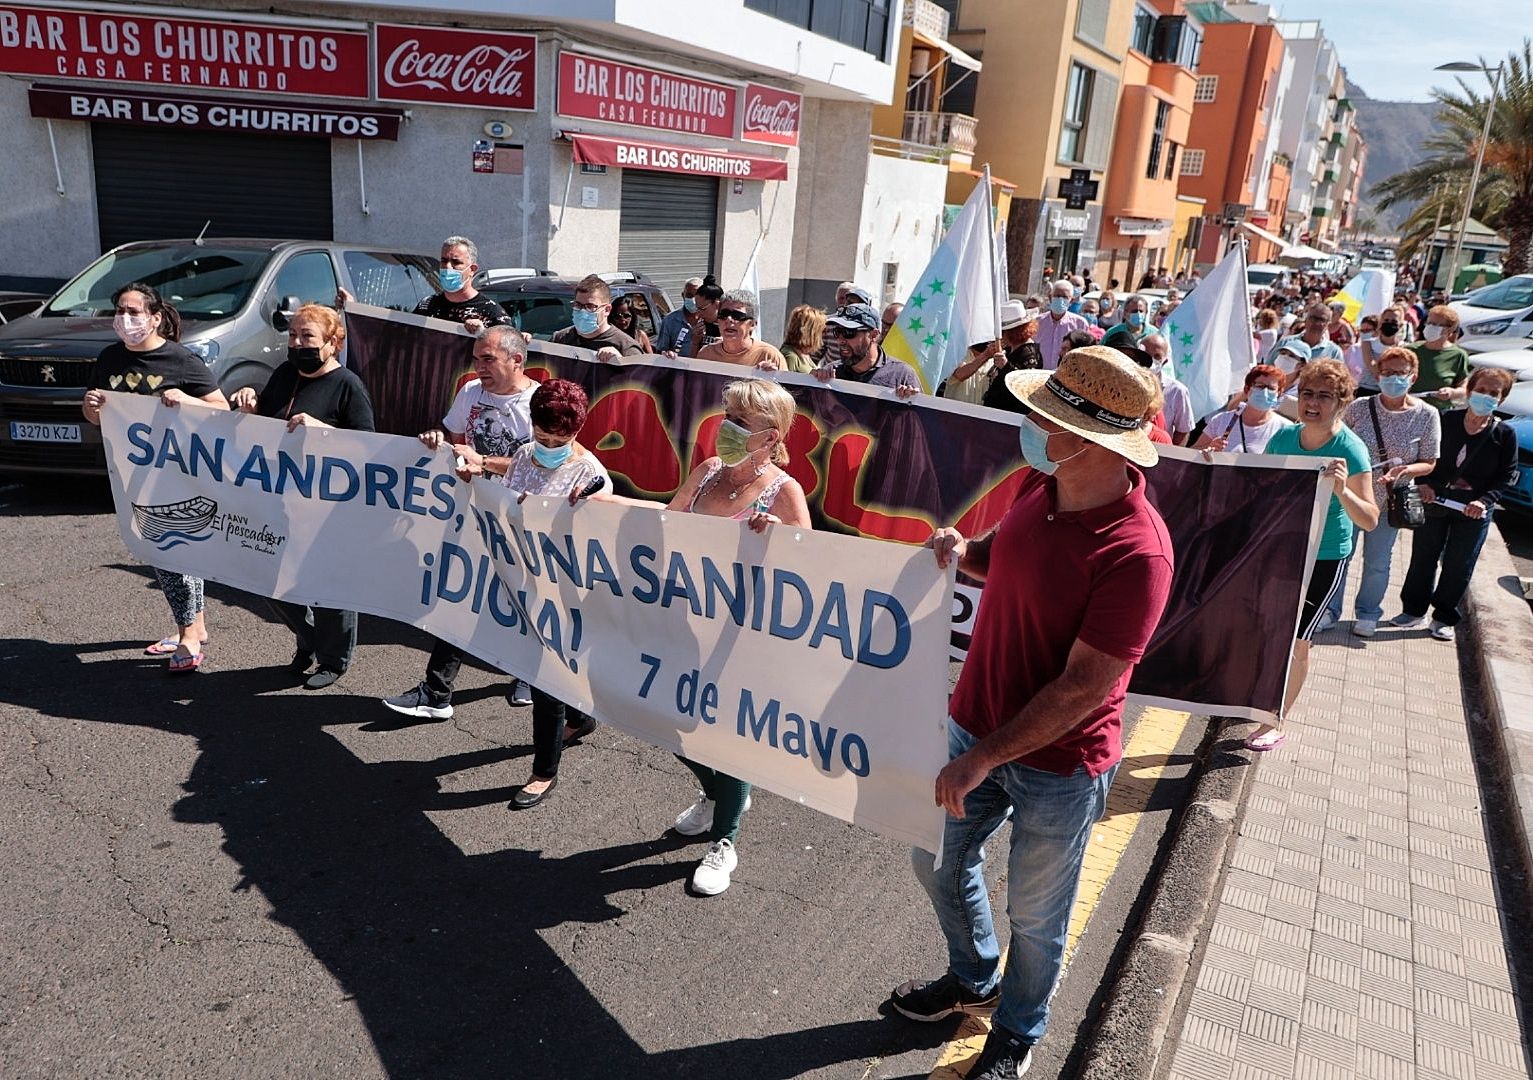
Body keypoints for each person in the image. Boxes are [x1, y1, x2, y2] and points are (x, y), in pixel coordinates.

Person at [893, 346, 1174, 1080]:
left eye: (1040, 417)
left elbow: (1085, 685)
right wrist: (963, 551)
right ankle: (973, 978)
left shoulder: (1137, 553)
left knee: (1037, 918)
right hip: (973, 730)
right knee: (936, 860)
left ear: (1085, 440)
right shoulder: (1038, 489)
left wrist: (983, 755)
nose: (1026, 424)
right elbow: (1002, 558)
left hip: (1055, 767)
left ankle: (1015, 1033)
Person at [595, 379, 811, 895]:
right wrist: (606, 501)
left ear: (771, 435)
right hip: (676, 622)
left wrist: (776, 543)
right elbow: (668, 520)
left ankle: (724, 840)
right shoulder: (708, 471)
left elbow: (815, 570)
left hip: (737, 636)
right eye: (728, 415)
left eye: (742, 421)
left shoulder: (785, 492)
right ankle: (718, 792)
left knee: (724, 736)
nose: (728, 428)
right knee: (663, 716)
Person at [382, 326, 536, 719]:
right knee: (458, 594)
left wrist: (484, 462)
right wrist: (440, 443)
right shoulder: (470, 393)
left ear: (516, 360)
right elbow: (456, 443)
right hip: (473, 513)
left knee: (525, 599)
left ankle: (532, 677)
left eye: (488, 359)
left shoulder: (538, 403)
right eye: (476, 359)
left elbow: (541, 465)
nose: (479, 366)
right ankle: (437, 693)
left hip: (523, 521)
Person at [469, 378, 609, 808]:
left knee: (545, 679)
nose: (547, 444)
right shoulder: (525, 455)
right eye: (542, 435)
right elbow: (506, 501)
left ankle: (542, 771)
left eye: (558, 439)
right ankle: (581, 718)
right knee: (543, 673)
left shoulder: (592, 476)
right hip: (522, 579)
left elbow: (599, 540)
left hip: (564, 593)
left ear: (576, 433)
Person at [80, 282, 228, 673]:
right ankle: (193, 626)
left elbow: (221, 410)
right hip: (132, 475)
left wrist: (188, 401)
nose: (124, 319)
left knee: (173, 551)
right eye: (119, 312)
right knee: (163, 553)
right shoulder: (109, 359)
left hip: (177, 474)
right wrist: (91, 407)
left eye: (133, 312)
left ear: (155, 318)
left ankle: (190, 638)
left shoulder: (180, 360)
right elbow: (97, 416)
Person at [230, 304, 375, 689]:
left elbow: (368, 447)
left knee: (328, 585)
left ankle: (333, 659)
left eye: (307, 336)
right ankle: (308, 638)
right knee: (268, 577)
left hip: (328, 507)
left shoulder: (347, 385)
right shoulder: (283, 375)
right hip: (279, 498)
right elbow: (267, 425)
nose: (297, 343)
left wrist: (322, 431)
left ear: (333, 342)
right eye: (293, 335)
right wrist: (252, 405)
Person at [1250, 359, 1379, 751]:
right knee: (1268, 631)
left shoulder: (1351, 449)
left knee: (1297, 640)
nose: (1313, 402)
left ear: (1341, 401)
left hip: (1324, 556)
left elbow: (1370, 519)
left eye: (1324, 396)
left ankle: (1277, 720)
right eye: (1307, 393)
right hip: (1282, 549)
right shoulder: (1282, 439)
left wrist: (1342, 490)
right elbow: (1262, 489)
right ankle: (1254, 701)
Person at [1323, 346, 1440, 636]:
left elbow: (1429, 461)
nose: (1392, 378)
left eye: (1399, 373)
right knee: (1340, 557)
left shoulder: (1427, 414)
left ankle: (1368, 613)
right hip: (1349, 498)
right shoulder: (1360, 407)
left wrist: (1405, 471)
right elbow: (1335, 438)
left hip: (1388, 503)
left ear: (1412, 377)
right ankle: (1328, 610)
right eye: (1387, 373)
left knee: (1378, 562)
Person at [1395, 368, 1519, 641]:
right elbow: (1425, 456)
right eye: (1481, 389)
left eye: (1493, 393)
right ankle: (1413, 611)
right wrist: (1423, 483)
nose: (1485, 396)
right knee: (1423, 558)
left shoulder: (1505, 434)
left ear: (1502, 398)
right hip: (1434, 500)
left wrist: (1484, 501)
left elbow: (1505, 476)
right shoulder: (1445, 420)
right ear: (1470, 389)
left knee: (1459, 564)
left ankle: (1444, 617)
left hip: (1472, 511)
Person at [339, 235, 510, 332]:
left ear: (472, 269)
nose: (447, 267)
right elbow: (395, 336)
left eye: (456, 263)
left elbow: (509, 355)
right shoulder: (427, 305)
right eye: (444, 261)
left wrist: (483, 334)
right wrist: (353, 310)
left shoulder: (491, 311)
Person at [947, 301, 1042, 408]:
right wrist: (986, 355)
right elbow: (959, 374)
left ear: (1012, 332)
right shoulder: (959, 349)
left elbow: (1025, 387)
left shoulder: (1028, 354)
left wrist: (1005, 366)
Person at [813, 304, 921, 397]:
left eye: (848, 333)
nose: (841, 340)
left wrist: (911, 403)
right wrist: (812, 386)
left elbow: (921, 419)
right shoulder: (829, 372)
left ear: (873, 335)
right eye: (837, 332)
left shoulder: (902, 375)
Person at [1193, 365, 1293, 455]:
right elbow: (1192, 452)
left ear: (1279, 393)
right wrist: (1209, 447)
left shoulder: (1285, 429)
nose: (1265, 392)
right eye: (1260, 386)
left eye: (1271, 388)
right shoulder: (1221, 420)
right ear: (1247, 389)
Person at [551, 275, 645, 360]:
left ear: (607, 310)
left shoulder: (626, 347)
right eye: (578, 305)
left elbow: (640, 378)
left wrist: (622, 362)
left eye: (590, 306)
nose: (583, 311)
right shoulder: (559, 339)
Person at [697, 290, 785, 370]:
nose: (728, 319)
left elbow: (786, 387)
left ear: (753, 324)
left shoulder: (769, 356)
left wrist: (772, 380)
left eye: (737, 315)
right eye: (724, 314)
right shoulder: (706, 354)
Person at [1408, 305, 1470, 410]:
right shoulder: (1410, 350)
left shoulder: (1458, 355)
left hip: (1439, 411)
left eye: (1437, 325)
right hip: (1410, 408)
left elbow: (1464, 388)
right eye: (1429, 323)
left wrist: (1452, 393)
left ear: (1449, 330)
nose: (1431, 327)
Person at [1139, 332, 1193, 445]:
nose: (1150, 360)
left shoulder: (1178, 391)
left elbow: (1183, 431)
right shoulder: (1126, 383)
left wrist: (1171, 456)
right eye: (1146, 354)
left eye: (1157, 356)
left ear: (1165, 361)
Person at [662, 277, 724, 359]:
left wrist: (726, 344)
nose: (699, 314)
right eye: (697, 309)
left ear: (717, 304)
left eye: (702, 309)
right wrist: (695, 342)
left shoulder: (731, 327)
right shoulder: (703, 326)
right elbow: (693, 361)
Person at [1036, 280, 1090, 369]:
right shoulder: (1037, 322)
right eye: (1057, 296)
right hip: (1039, 375)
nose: (1060, 300)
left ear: (1071, 300)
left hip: (1067, 377)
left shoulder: (1080, 324)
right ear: (1050, 297)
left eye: (1065, 297)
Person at [1271, 304, 1343, 366]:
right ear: (1306, 319)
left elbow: (1337, 379)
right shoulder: (1286, 343)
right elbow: (1268, 367)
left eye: (1322, 320)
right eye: (1313, 318)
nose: (1316, 323)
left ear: (1328, 324)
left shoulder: (1334, 352)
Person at [654, 277, 704, 353]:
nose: (693, 300)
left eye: (697, 295)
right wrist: (667, 354)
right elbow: (661, 351)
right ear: (683, 295)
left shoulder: (710, 320)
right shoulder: (669, 321)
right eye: (689, 295)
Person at [779, 304, 826, 373]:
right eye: (822, 330)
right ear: (810, 332)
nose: (824, 334)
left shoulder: (804, 354)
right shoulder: (791, 357)